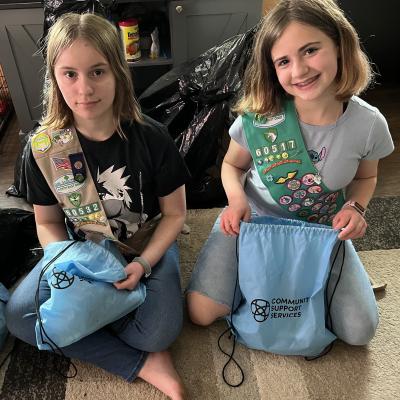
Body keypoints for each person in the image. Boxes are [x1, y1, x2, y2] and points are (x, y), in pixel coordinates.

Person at [187, 0, 394, 347]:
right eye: (283, 61)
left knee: (359, 332)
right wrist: (236, 201)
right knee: (201, 312)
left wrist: (355, 208)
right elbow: (232, 165)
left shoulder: (369, 123)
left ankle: (333, 272)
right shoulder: (260, 116)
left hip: (320, 232)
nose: (299, 71)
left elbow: (366, 178)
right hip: (253, 224)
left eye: (310, 50)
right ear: (273, 69)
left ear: (339, 45)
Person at [6, 12, 190, 400]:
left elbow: (175, 215)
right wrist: (68, 267)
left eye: (97, 72)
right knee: (21, 319)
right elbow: (48, 223)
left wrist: (142, 264)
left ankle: (99, 321)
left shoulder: (152, 138)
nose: (84, 88)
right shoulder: (42, 148)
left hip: (143, 245)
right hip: (81, 250)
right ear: (54, 78)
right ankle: (139, 363)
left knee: (160, 330)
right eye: (69, 74)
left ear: (118, 72)